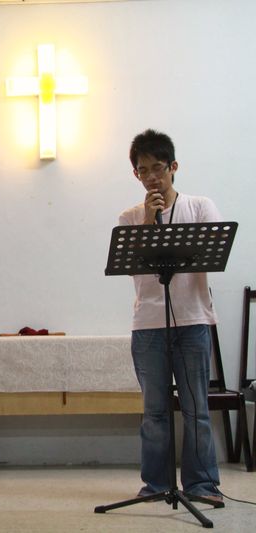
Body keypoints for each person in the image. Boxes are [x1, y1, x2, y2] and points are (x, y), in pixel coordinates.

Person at [118, 129, 223, 504]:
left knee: (196, 410)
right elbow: (134, 269)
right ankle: (156, 484)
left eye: (158, 168)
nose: (151, 177)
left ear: (173, 167)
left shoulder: (200, 207)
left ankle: (202, 485)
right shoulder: (130, 217)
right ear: (136, 174)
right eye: (143, 170)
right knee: (155, 413)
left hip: (193, 321)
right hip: (148, 326)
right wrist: (149, 221)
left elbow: (212, 254)